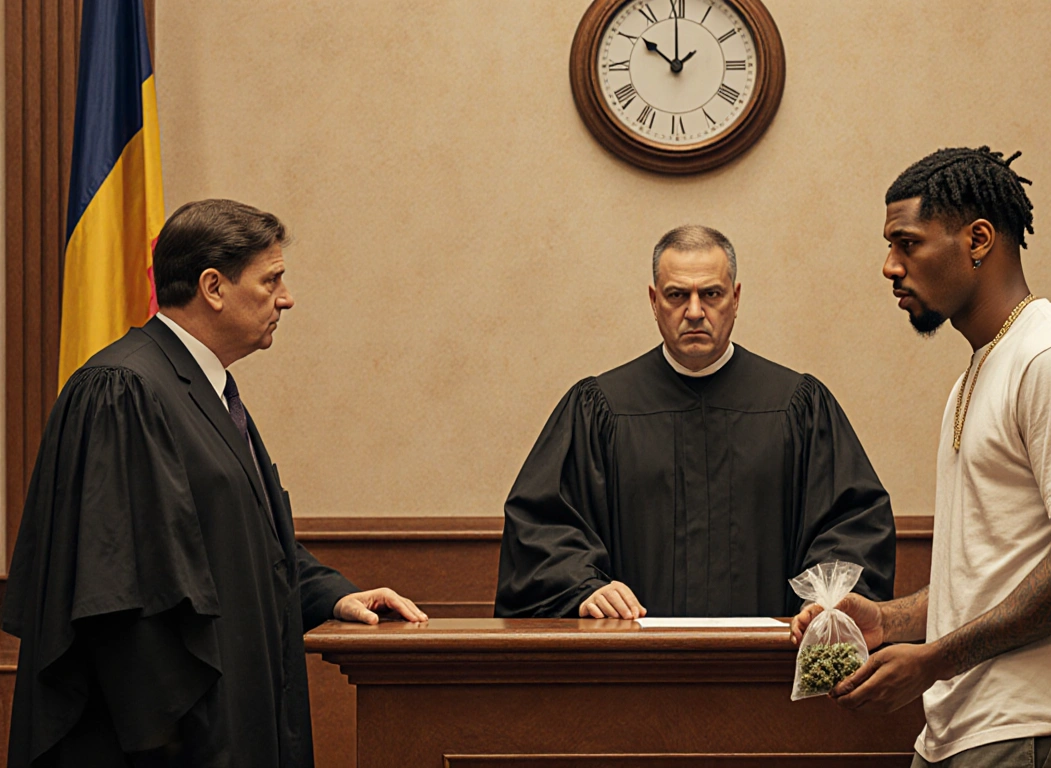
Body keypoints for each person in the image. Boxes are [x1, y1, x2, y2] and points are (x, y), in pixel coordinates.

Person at [3, 199, 427, 768]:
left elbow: (239, 544)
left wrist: (333, 595)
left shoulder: (208, 393)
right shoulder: (122, 392)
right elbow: (120, 599)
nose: (286, 298)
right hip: (172, 744)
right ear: (213, 286)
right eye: (271, 279)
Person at [793, 147, 1051, 766]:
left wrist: (934, 659)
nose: (889, 267)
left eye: (907, 243)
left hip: (1039, 729)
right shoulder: (981, 371)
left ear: (978, 239)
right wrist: (886, 620)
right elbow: (993, 576)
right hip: (971, 729)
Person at [495, 225, 896, 619]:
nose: (694, 312)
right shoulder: (600, 409)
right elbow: (541, 527)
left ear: (735, 298)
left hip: (767, 666)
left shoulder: (798, 407)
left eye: (711, 294)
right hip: (630, 667)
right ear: (654, 301)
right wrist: (585, 588)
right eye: (676, 295)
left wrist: (826, 600)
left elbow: (851, 524)